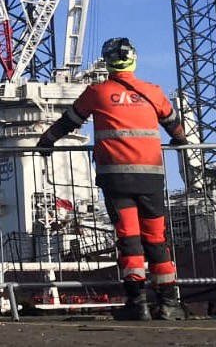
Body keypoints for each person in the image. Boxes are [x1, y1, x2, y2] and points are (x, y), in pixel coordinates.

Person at [35, 37, 188, 321]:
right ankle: (169, 303)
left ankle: (136, 303)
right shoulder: (153, 92)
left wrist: (47, 141)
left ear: (107, 63)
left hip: (116, 178)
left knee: (129, 239)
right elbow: (175, 127)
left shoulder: (97, 92)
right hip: (151, 177)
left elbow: (69, 121)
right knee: (156, 239)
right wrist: (180, 140)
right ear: (134, 60)